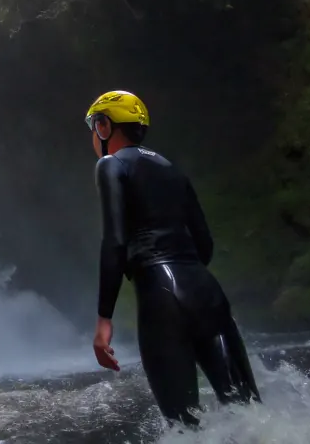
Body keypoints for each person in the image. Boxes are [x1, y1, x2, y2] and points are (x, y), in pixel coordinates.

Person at [87, 90, 260, 426]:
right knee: (251, 413)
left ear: (105, 126)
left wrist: (103, 320)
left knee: (184, 428)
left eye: (94, 125)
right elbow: (204, 244)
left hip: (161, 296)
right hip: (206, 291)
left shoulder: (111, 165)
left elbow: (114, 241)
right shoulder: (172, 169)